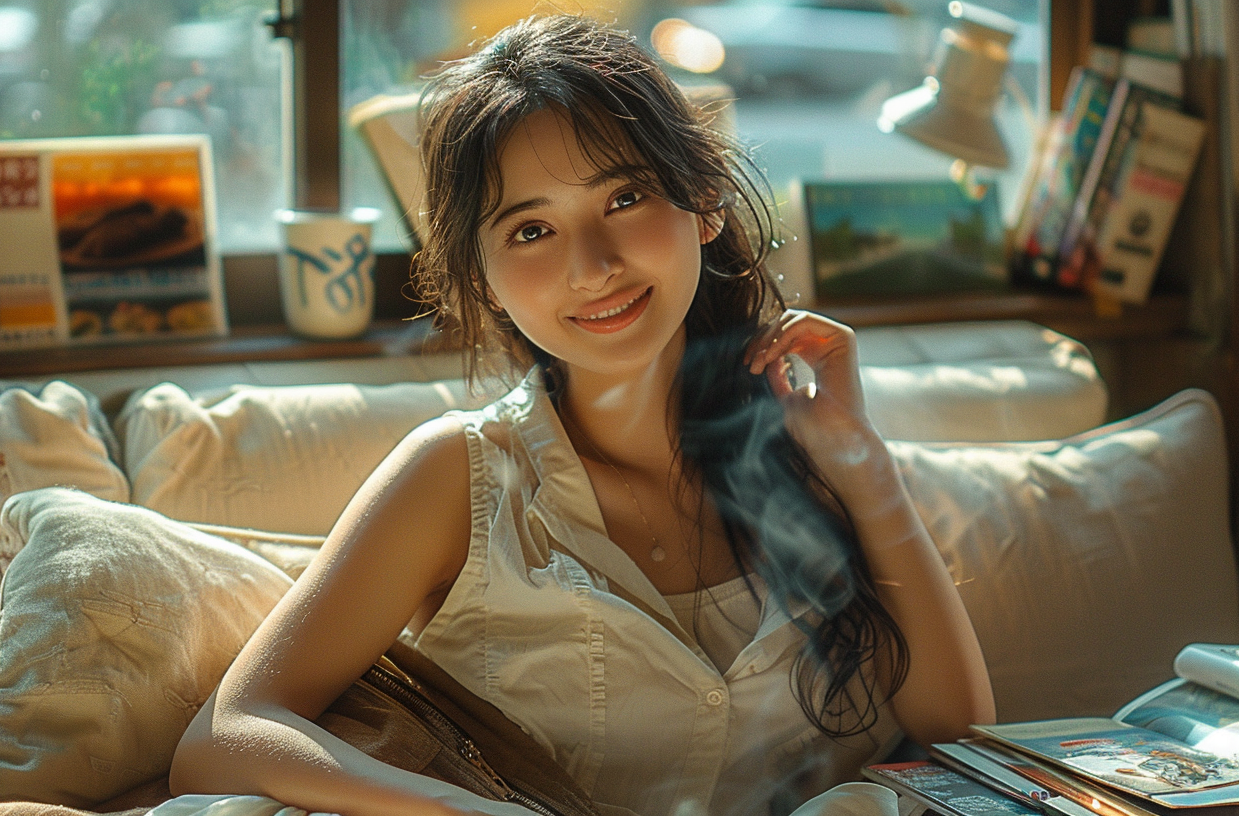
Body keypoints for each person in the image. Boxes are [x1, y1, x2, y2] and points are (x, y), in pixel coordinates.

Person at [170, 14, 994, 816]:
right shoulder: (459, 477)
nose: (592, 267)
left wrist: (863, 465)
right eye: (531, 230)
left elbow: (964, 737)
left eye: (626, 196)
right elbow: (226, 737)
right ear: (485, 275)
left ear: (704, 201)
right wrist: (455, 810)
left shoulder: (809, 451)